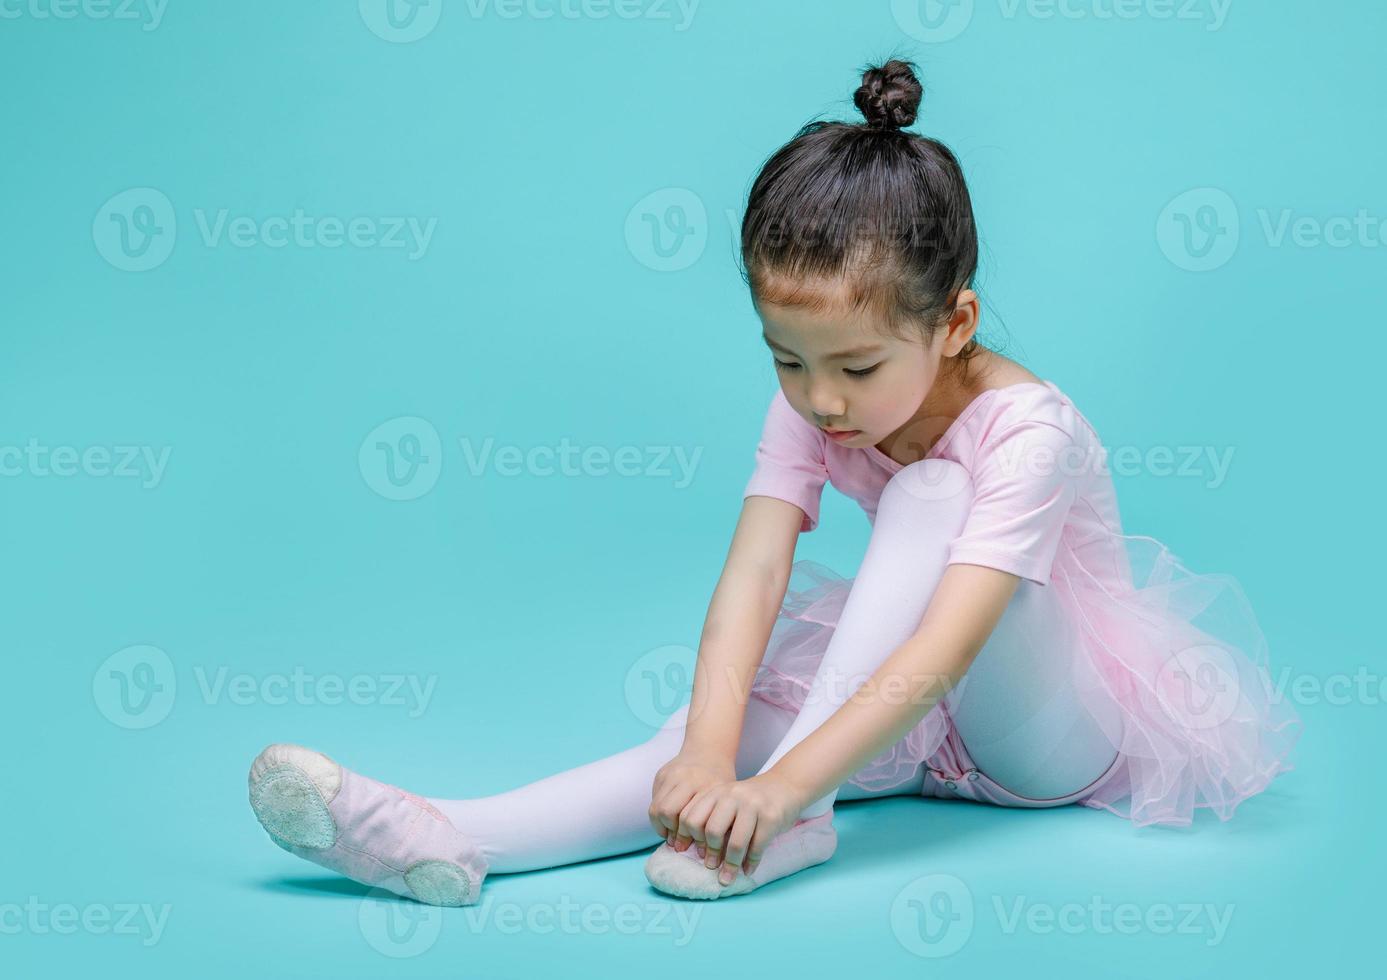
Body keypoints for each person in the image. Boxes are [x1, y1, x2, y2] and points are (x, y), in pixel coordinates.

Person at [246, 57, 1302, 906]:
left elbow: (945, 646)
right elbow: (752, 577)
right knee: (708, 743)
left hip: (1048, 726)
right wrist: (709, 755)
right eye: (785, 359)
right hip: (906, 720)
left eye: (854, 367)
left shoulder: (1030, 429)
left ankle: (800, 812)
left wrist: (789, 783)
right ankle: (459, 832)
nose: (821, 400)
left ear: (955, 324)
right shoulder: (813, 395)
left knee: (926, 493)